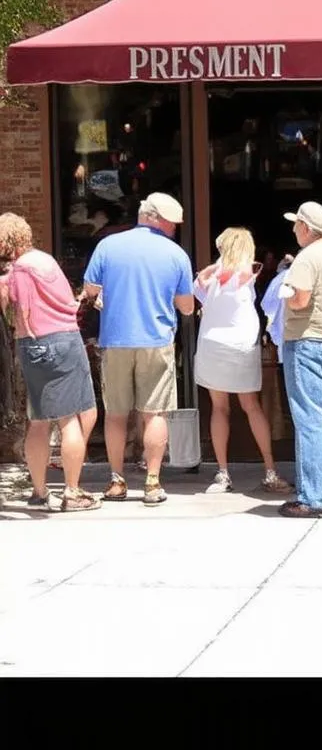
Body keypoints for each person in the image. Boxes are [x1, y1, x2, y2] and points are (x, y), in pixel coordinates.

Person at [82, 192, 194, 506]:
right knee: (154, 413)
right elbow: (186, 307)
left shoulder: (108, 245)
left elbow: (90, 290)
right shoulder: (176, 254)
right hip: (156, 340)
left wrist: (106, 296)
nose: (174, 229)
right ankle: (152, 483)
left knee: (116, 415)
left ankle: (117, 481)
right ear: (155, 218)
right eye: (172, 223)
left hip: (115, 339)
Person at [0, 212, 101, 512]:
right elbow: (66, 302)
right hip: (61, 341)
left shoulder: (16, 271)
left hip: (29, 345)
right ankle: (71, 492)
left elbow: (10, 308)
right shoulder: (44, 262)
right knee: (70, 419)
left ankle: (39, 490)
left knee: (39, 421)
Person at [193, 227, 291, 495]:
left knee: (218, 408)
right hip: (241, 345)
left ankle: (223, 473)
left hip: (212, 344)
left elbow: (199, 296)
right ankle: (270, 470)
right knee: (252, 406)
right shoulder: (252, 270)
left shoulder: (207, 274)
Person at [277, 201, 322, 518]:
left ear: (307, 227)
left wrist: (286, 293)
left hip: (307, 339)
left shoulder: (307, 258)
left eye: (296, 224)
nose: (294, 228)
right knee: (320, 418)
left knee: (309, 421)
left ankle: (314, 497)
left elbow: (301, 299)